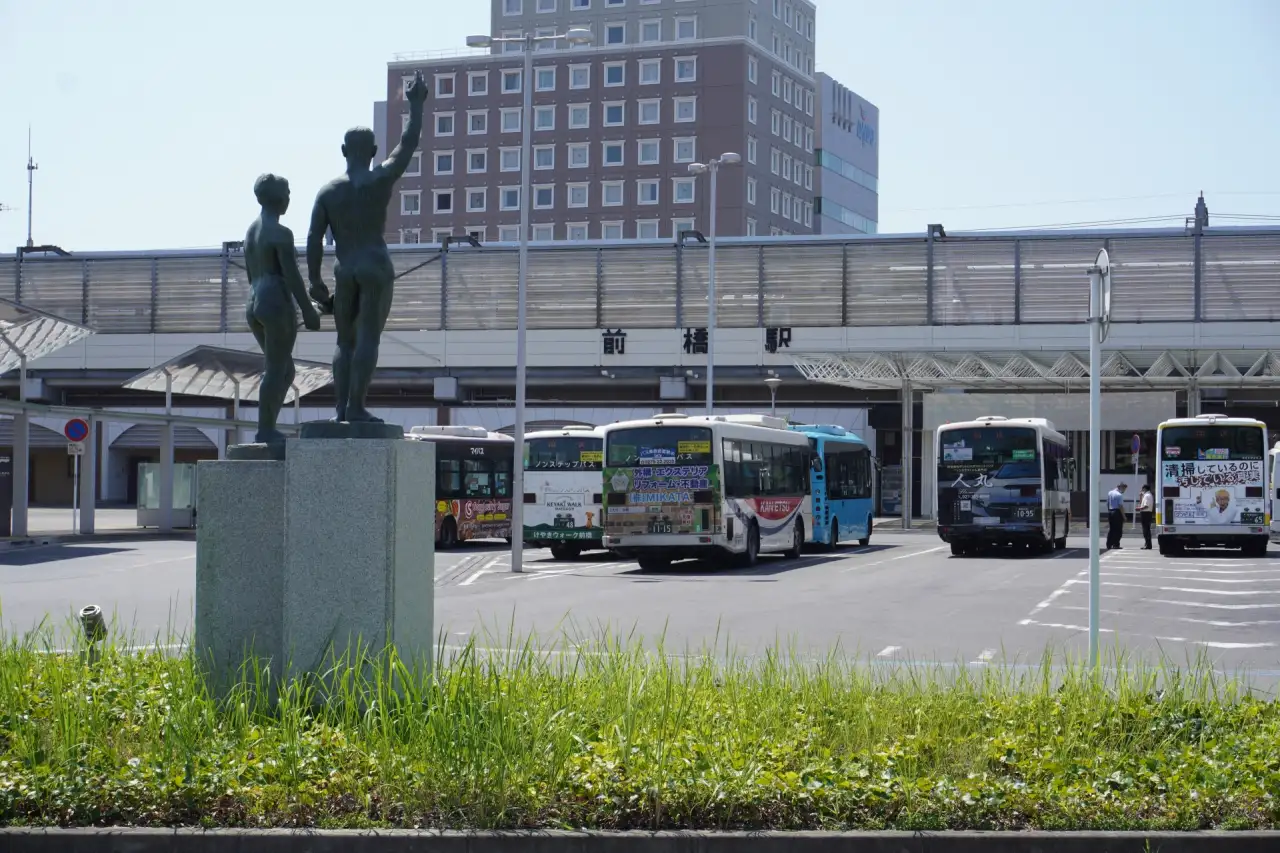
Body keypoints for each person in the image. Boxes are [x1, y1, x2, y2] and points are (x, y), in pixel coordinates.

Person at [306, 69, 430, 423]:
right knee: (368, 339)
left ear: (344, 151)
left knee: (344, 343)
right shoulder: (380, 178)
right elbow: (407, 145)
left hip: (344, 269)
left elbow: (314, 239)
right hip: (375, 265)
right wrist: (416, 106)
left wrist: (315, 283)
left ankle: (342, 410)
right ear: (374, 151)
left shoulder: (328, 192)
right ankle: (357, 408)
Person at [243, 174, 322, 446]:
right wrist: (308, 311)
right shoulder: (280, 232)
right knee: (277, 369)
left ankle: (268, 427)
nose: (289, 198)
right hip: (275, 301)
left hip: (253, 301)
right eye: (287, 192)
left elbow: (252, 274)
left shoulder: (250, 232)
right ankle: (265, 431)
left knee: (285, 369)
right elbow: (291, 275)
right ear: (277, 197)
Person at [1106, 482, 1128, 550]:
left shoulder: (1110, 493)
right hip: (1117, 512)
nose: (1124, 490)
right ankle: (1116, 544)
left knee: (1112, 529)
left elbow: (1107, 503)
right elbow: (1120, 506)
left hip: (1110, 511)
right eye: (1124, 488)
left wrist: (1109, 511)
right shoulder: (1119, 495)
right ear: (1121, 487)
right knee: (1118, 530)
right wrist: (1124, 516)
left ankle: (1109, 544)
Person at [1138, 483, 1155, 549]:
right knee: (1145, 529)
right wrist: (1140, 496)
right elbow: (1141, 503)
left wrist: (1139, 508)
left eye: (1142, 489)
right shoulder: (1145, 495)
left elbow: (1146, 506)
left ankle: (1148, 545)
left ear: (1144, 489)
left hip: (1146, 513)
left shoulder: (1147, 495)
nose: (1141, 490)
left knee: (1146, 530)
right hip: (1146, 513)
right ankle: (1147, 544)